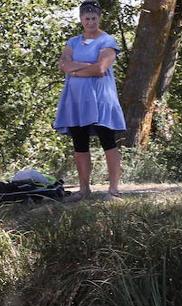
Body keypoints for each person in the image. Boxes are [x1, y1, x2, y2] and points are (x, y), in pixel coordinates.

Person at [53, 0, 126, 200]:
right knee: (79, 143)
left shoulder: (107, 41)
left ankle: (113, 189)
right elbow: (63, 65)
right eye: (87, 18)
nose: (90, 22)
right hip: (75, 99)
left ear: (99, 18)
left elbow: (100, 68)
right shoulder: (73, 42)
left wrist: (75, 69)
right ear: (81, 19)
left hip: (100, 98)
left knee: (107, 141)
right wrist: (84, 66)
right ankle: (84, 189)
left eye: (94, 18)